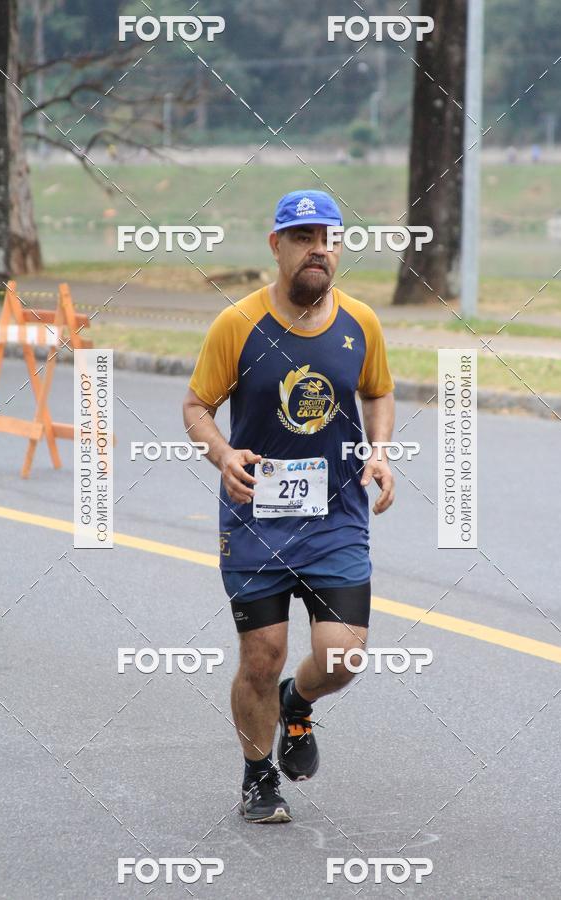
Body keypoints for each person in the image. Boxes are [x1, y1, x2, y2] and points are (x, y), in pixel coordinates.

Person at [183, 190, 395, 823]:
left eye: (327, 238)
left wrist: (380, 452)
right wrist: (222, 454)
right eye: (303, 238)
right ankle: (257, 777)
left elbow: (379, 392)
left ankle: (295, 705)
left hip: (336, 518)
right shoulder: (237, 324)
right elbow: (197, 407)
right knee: (261, 653)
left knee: (343, 655)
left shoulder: (360, 323)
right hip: (257, 522)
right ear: (277, 247)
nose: (318, 250)